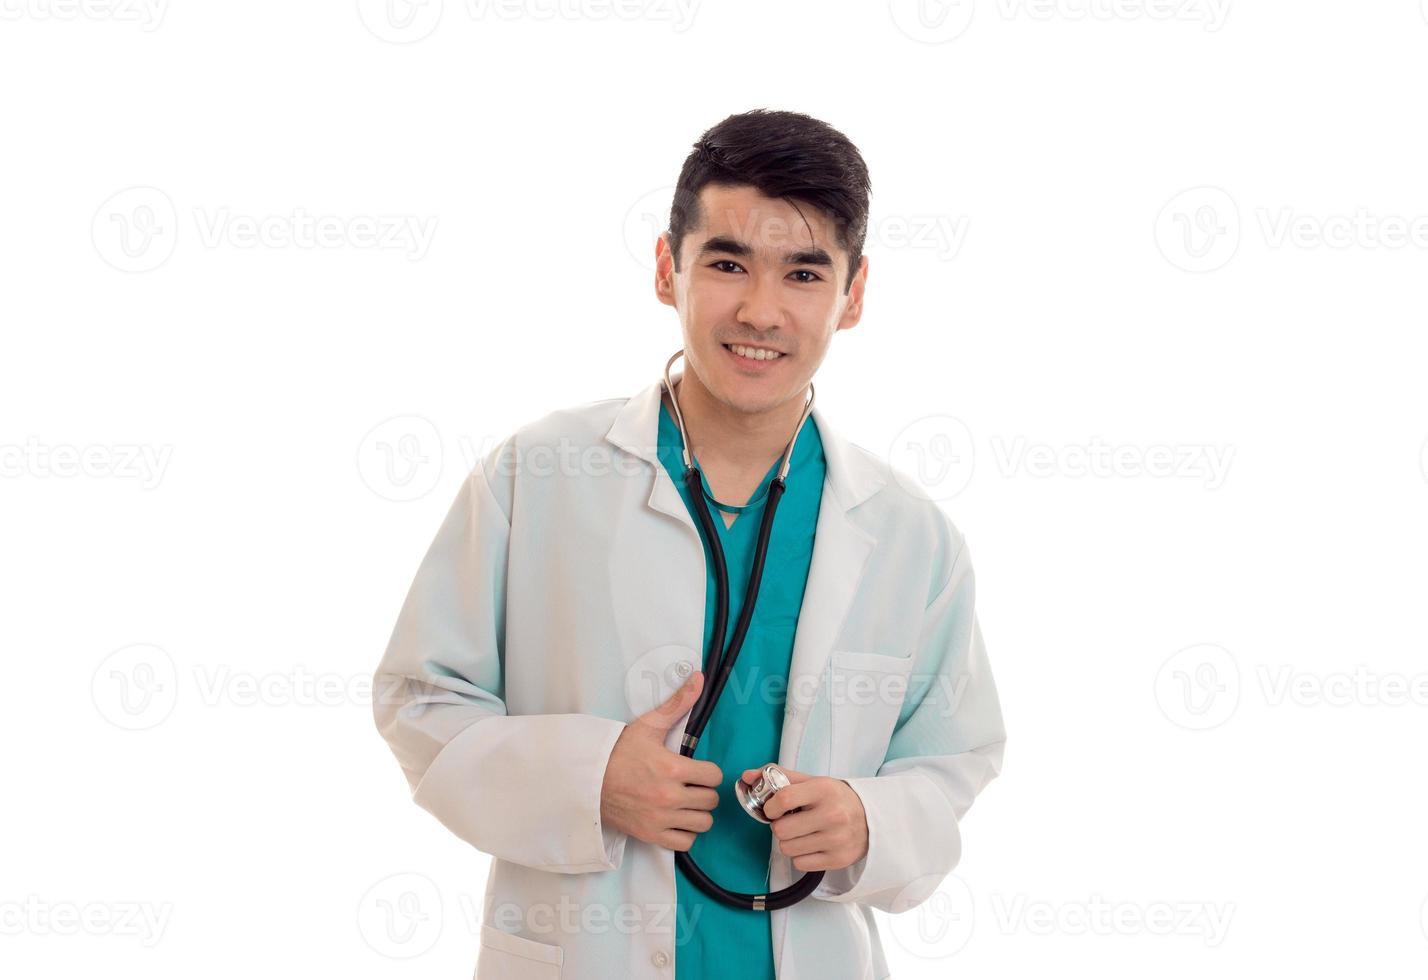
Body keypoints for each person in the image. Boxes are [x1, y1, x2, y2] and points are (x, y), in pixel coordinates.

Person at [372, 108, 1005, 980]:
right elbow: (420, 698)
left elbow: (955, 758)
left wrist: (872, 820)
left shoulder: (909, 533)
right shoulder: (538, 475)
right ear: (669, 269)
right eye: (728, 263)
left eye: (804, 274)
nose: (761, 310)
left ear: (853, 296)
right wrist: (589, 779)